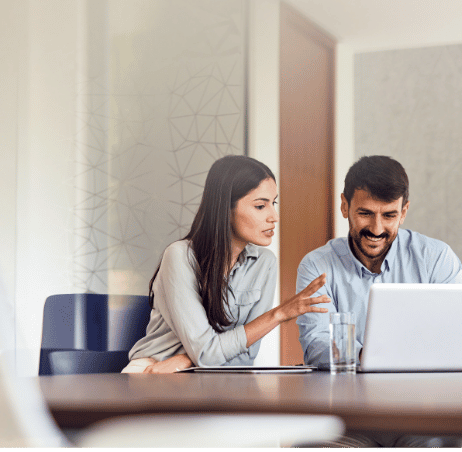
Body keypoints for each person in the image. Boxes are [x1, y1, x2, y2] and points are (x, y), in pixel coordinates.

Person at [296, 155, 462, 448]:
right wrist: (374, 358)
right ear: (344, 206)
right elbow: (317, 342)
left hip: (424, 416)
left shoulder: (436, 258)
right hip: (347, 421)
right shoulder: (317, 265)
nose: (377, 228)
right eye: (365, 213)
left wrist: (369, 357)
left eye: (389, 215)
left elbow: (457, 340)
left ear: (404, 211)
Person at [124, 155, 330, 374]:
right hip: (155, 373)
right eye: (260, 206)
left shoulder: (265, 263)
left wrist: (186, 360)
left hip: (214, 374)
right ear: (225, 208)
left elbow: (245, 356)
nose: (274, 216)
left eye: (274, 203)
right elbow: (206, 353)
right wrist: (278, 314)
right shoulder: (179, 256)